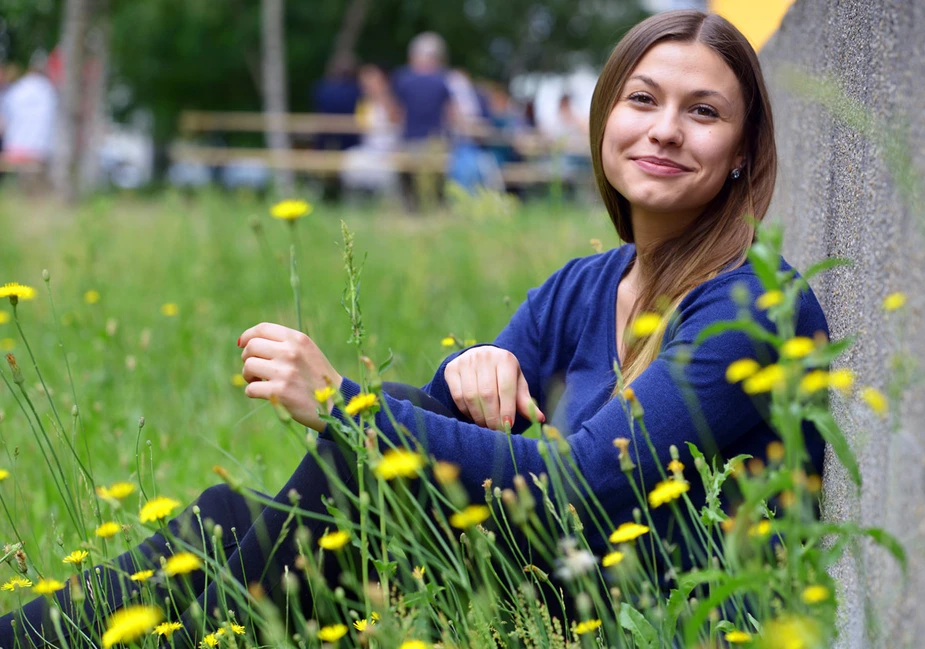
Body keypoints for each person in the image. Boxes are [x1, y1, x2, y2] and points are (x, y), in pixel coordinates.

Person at [0, 10, 828, 648]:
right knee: (236, 513)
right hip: (558, 582)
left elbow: (580, 486)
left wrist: (342, 401)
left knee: (342, 465)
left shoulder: (749, 305)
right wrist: (479, 364)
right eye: (641, 99)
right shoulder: (586, 286)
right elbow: (435, 424)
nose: (664, 129)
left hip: (652, 615)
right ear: (605, 117)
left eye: (703, 112)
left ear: (742, 154)